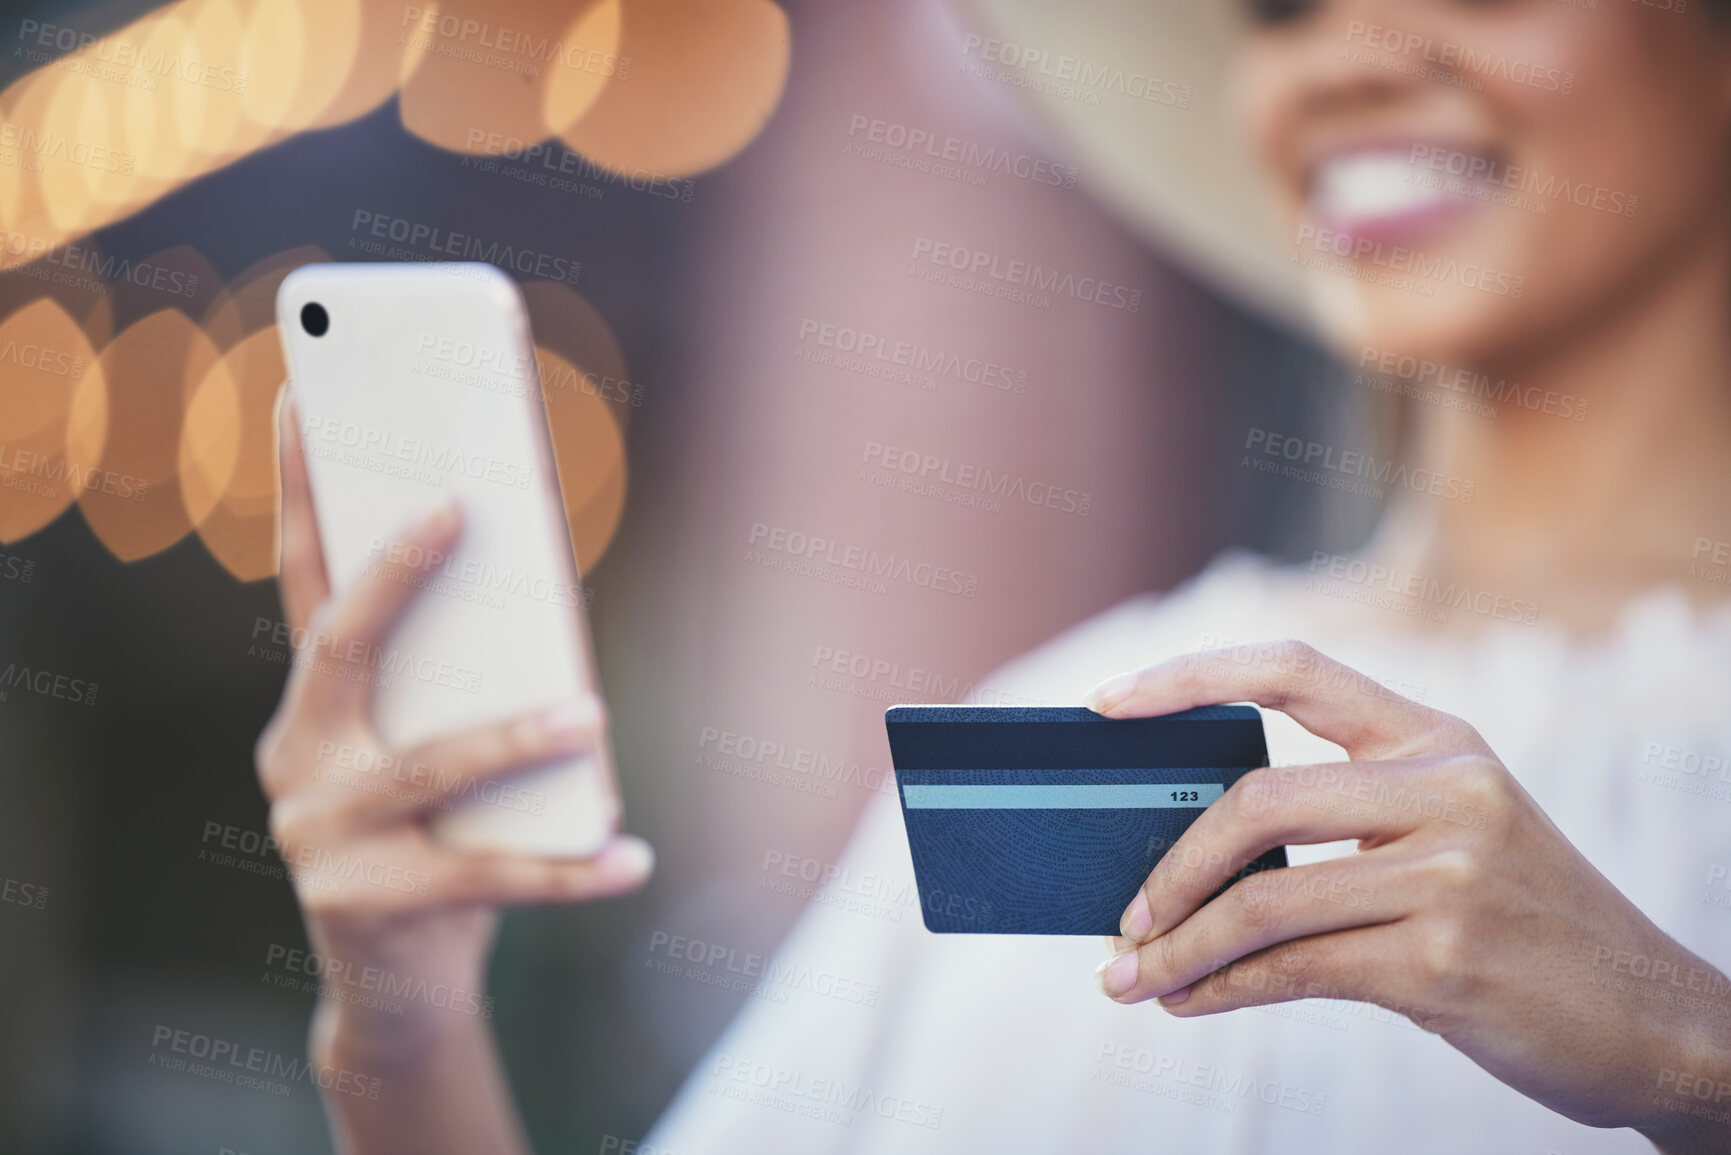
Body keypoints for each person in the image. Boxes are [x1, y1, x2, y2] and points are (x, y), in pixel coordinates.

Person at [257, 0, 1731, 1150]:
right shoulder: (1085, 722)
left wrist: (1684, 1054)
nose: (1344, 58)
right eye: (1282, 3)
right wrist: (405, 1035)